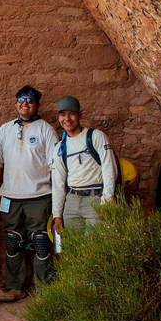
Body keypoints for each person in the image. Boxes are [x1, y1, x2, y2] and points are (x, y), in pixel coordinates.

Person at [0, 85, 57, 301]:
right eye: (21, 99)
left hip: (40, 196)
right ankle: (14, 287)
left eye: (30, 100)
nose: (25, 103)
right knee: (13, 241)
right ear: (16, 103)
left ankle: (44, 290)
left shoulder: (46, 130)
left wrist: (57, 197)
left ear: (37, 104)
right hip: (10, 197)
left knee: (41, 243)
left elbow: (55, 166)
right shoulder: (5, 130)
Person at [52, 96, 118, 232]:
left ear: (79, 115)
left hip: (95, 198)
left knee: (95, 243)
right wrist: (57, 215)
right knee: (74, 243)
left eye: (72, 114)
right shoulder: (60, 148)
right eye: (63, 114)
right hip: (72, 201)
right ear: (58, 118)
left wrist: (107, 201)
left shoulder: (96, 136)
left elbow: (109, 169)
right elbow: (58, 182)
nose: (67, 119)